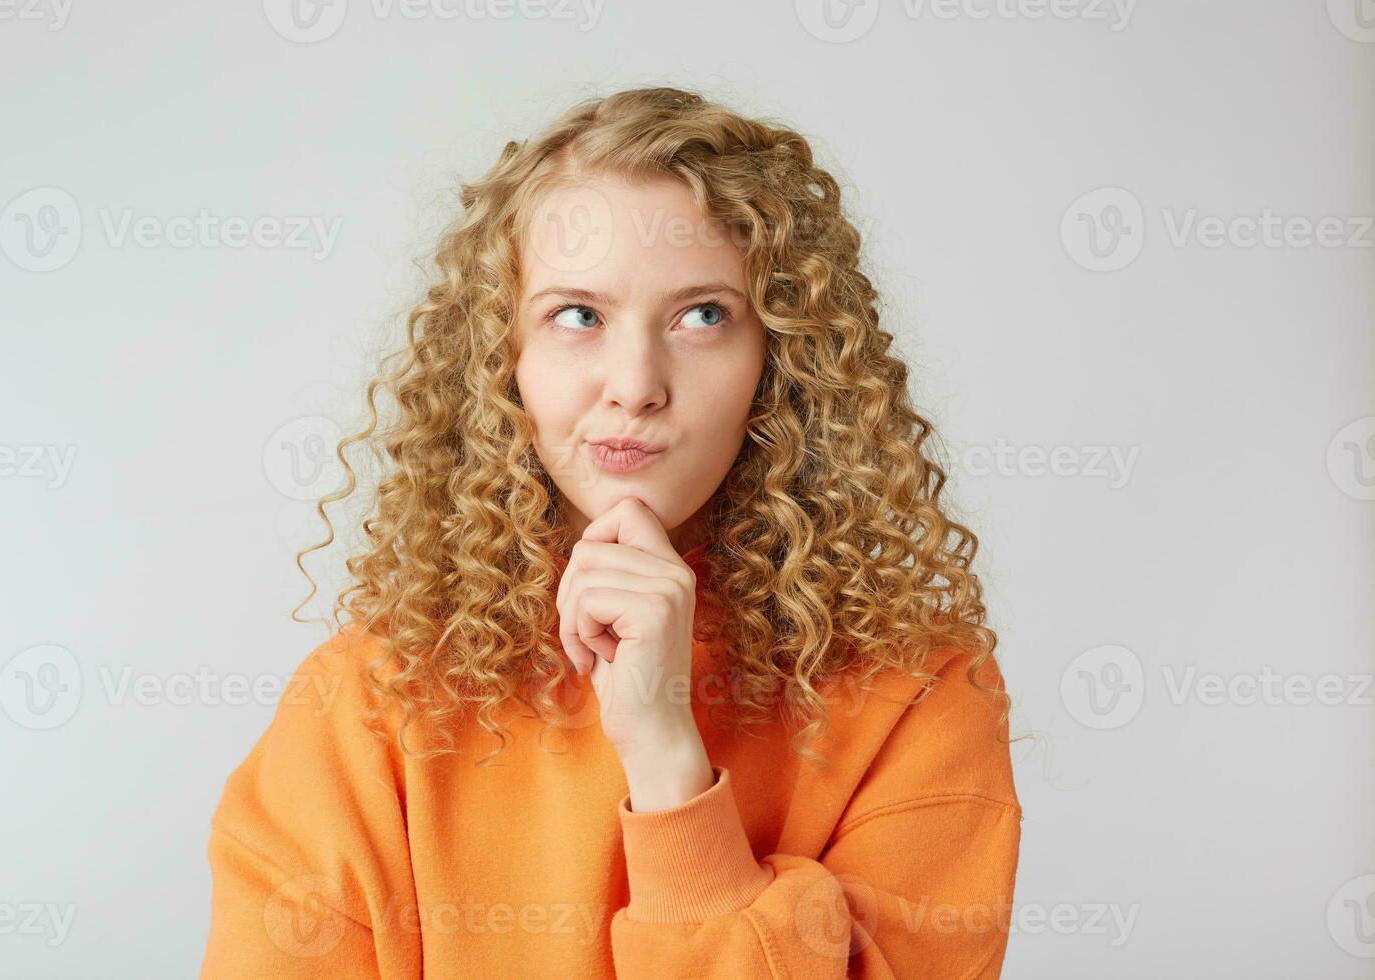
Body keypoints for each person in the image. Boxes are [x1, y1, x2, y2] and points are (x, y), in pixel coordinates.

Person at [200, 85, 1023, 979]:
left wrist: (668, 758)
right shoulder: (367, 700)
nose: (635, 384)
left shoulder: (920, 696)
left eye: (702, 315)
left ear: (781, 362)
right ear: (500, 361)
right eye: (577, 315)